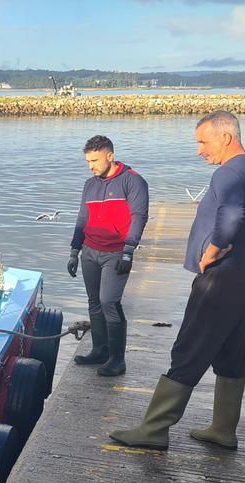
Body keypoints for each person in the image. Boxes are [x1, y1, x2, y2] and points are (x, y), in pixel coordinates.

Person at [110, 111, 245, 451]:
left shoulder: (229, 172)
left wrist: (214, 250)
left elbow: (232, 215)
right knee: (230, 347)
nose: (199, 150)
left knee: (190, 346)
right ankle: (223, 428)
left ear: (226, 137)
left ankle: (154, 428)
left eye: (203, 142)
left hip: (225, 278)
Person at [67, 135, 149, 377]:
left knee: (108, 301)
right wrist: (74, 250)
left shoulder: (133, 182)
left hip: (116, 253)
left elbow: (139, 217)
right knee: (94, 302)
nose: (90, 166)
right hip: (90, 251)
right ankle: (99, 350)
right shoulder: (90, 184)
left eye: (94, 160)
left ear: (110, 156)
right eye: (87, 161)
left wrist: (128, 251)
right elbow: (83, 219)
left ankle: (117, 359)